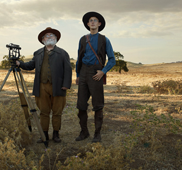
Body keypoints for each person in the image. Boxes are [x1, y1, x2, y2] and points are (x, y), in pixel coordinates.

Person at [16, 27, 72, 143]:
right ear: (43, 40)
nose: (50, 37)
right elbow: (30, 65)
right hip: (41, 87)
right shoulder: (38, 53)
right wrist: (19, 63)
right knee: (43, 111)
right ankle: (44, 134)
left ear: (56, 39)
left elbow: (68, 70)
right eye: (47, 36)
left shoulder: (63, 53)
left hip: (58, 87)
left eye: (52, 36)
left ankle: (56, 134)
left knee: (57, 112)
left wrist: (66, 84)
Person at [75, 12, 115, 143]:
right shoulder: (82, 39)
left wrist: (102, 72)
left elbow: (112, 60)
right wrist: (78, 75)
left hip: (96, 73)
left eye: (95, 20)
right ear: (87, 24)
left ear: (99, 24)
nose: (92, 22)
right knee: (81, 105)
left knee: (98, 105)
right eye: (90, 20)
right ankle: (84, 132)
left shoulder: (104, 39)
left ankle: (97, 134)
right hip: (83, 73)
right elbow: (78, 59)